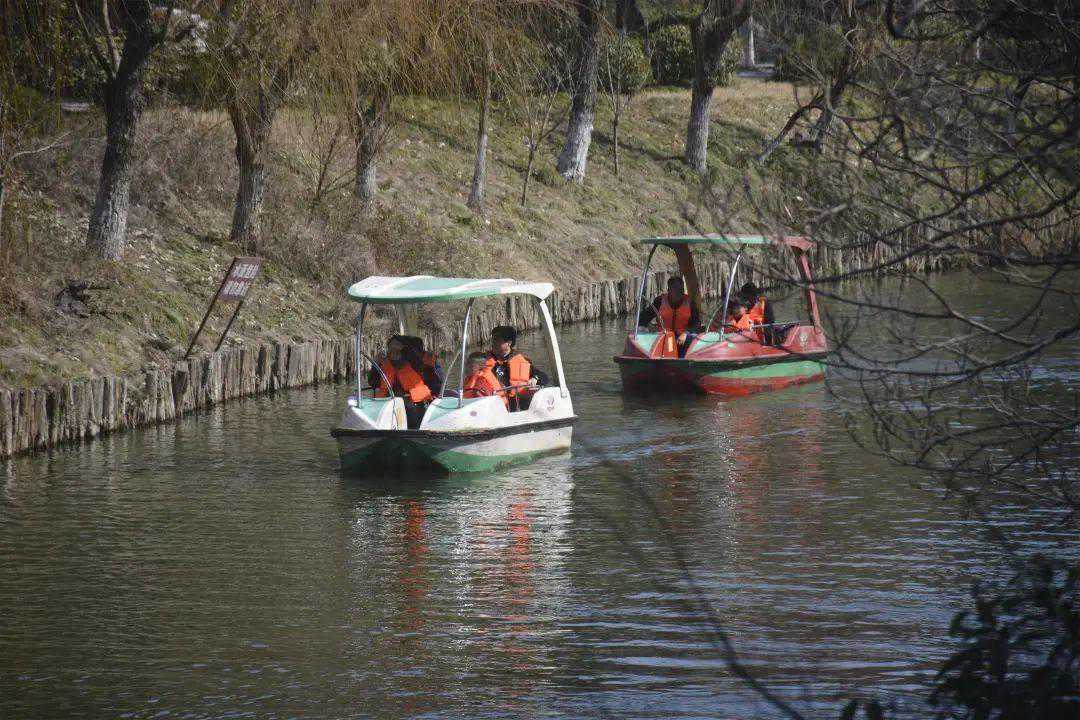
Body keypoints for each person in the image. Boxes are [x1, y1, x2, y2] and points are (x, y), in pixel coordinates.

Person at [369, 335, 433, 428]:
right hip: (388, 402)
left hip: (413, 403)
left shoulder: (412, 361)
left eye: (397, 345)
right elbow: (373, 383)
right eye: (391, 346)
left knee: (409, 408)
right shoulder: (384, 363)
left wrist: (404, 351)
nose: (394, 349)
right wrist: (375, 366)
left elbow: (419, 364)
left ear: (404, 348)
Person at [487, 325, 548, 411]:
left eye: (497, 340)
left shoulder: (522, 361)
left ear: (509, 343)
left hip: (518, 409)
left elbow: (543, 376)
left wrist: (535, 379)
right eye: (493, 340)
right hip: (494, 409)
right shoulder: (484, 362)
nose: (493, 343)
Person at [637, 276, 701, 356]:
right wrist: (650, 326)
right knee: (641, 330)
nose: (678, 293)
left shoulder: (690, 303)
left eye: (680, 290)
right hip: (663, 337)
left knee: (694, 338)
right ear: (668, 290)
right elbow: (643, 317)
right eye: (675, 290)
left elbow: (696, 323)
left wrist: (686, 333)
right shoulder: (659, 301)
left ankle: (686, 361)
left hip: (683, 338)